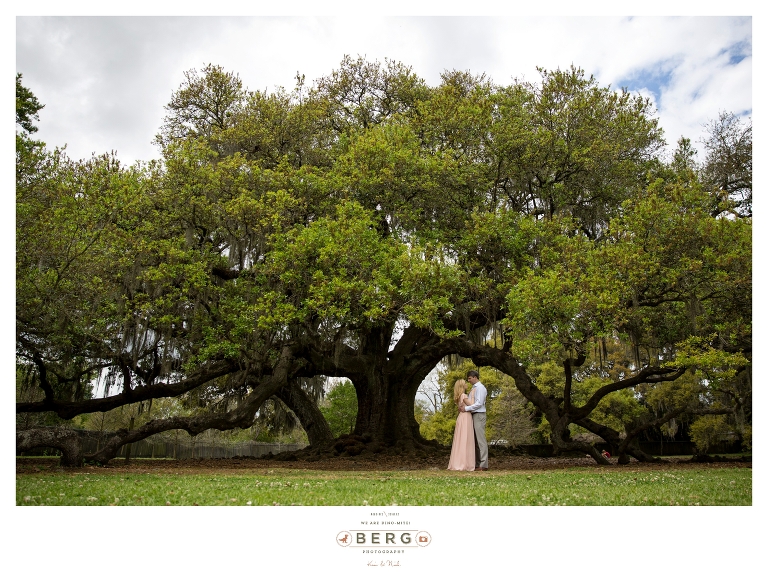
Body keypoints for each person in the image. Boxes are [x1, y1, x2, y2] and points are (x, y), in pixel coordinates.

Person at [460, 370, 488, 470]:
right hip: (473, 414)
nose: (469, 380)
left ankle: (484, 464)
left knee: (481, 440)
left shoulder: (480, 388)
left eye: (470, 378)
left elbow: (479, 403)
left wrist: (466, 408)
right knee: (475, 440)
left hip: (479, 414)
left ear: (475, 377)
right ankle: (477, 463)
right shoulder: (474, 388)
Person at [447, 378, 475, 471]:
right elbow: (472, 405)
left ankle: (459, 461)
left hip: (461, 417)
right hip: (466, 417)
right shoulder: (463, 395)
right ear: (462, 386)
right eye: (465, 383)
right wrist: (473, 395)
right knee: (465, 439)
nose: (467, 384)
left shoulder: (459, 396)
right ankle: (464, 463)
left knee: (460, 439)